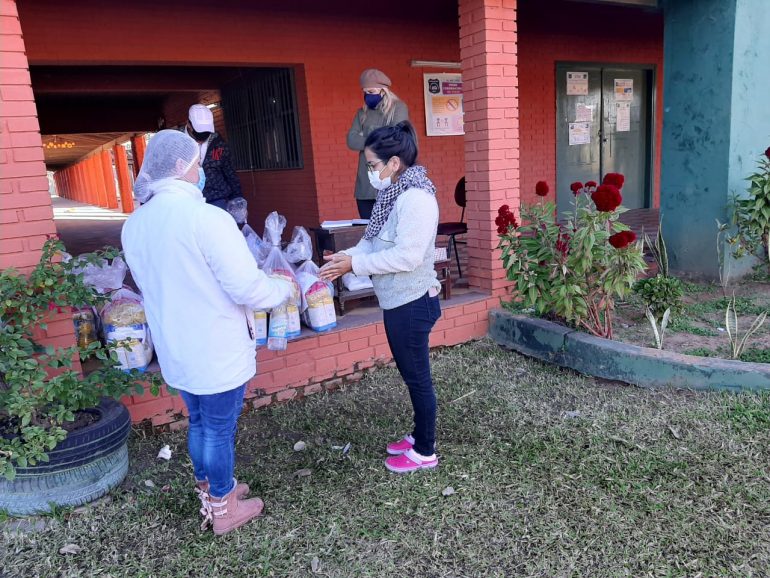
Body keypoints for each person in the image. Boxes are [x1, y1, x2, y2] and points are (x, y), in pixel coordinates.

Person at [121, 130, 292, 535]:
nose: (202, 172)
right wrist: (282, 287)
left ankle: (213, 487)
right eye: (198, 164)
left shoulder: (135, 224)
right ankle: (223, 507)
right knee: (218, 429)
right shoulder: (206, 218)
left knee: (199, 421)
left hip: (176, 346)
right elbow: (246, 288)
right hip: (215, 346)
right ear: (182, 167)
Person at [321, 121, 442, 474]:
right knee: (411, 375)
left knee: (417, 378)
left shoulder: (417, 199)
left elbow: (408, 257)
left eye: (373, 165)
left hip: (413, 302)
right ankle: (419, 435)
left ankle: (425, 451)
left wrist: (355, 264)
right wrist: (344, 259)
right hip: (397, 302)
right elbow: (371, 242)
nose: (370, 172)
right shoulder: (393, 195)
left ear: (394, 163)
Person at [347, 68, 409, 219]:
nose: (368, 95)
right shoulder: (362, 113)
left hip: (390, 179)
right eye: (365, 92)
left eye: (372, 91)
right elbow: (351, 140)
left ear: (383, 90)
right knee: (368, 227)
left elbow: (395, 139)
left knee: (391, 228)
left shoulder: (398, 108)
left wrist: (365, 136)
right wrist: (379, 134)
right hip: (366, 182)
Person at [186, 104, 243, 210]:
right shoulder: (178, 142)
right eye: (199, 133)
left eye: (206, 133)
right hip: (188, 200)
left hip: (217, 199)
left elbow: (230, 173)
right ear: (189, 124)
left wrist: (238, 200)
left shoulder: (218, 143)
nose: (203, 138)